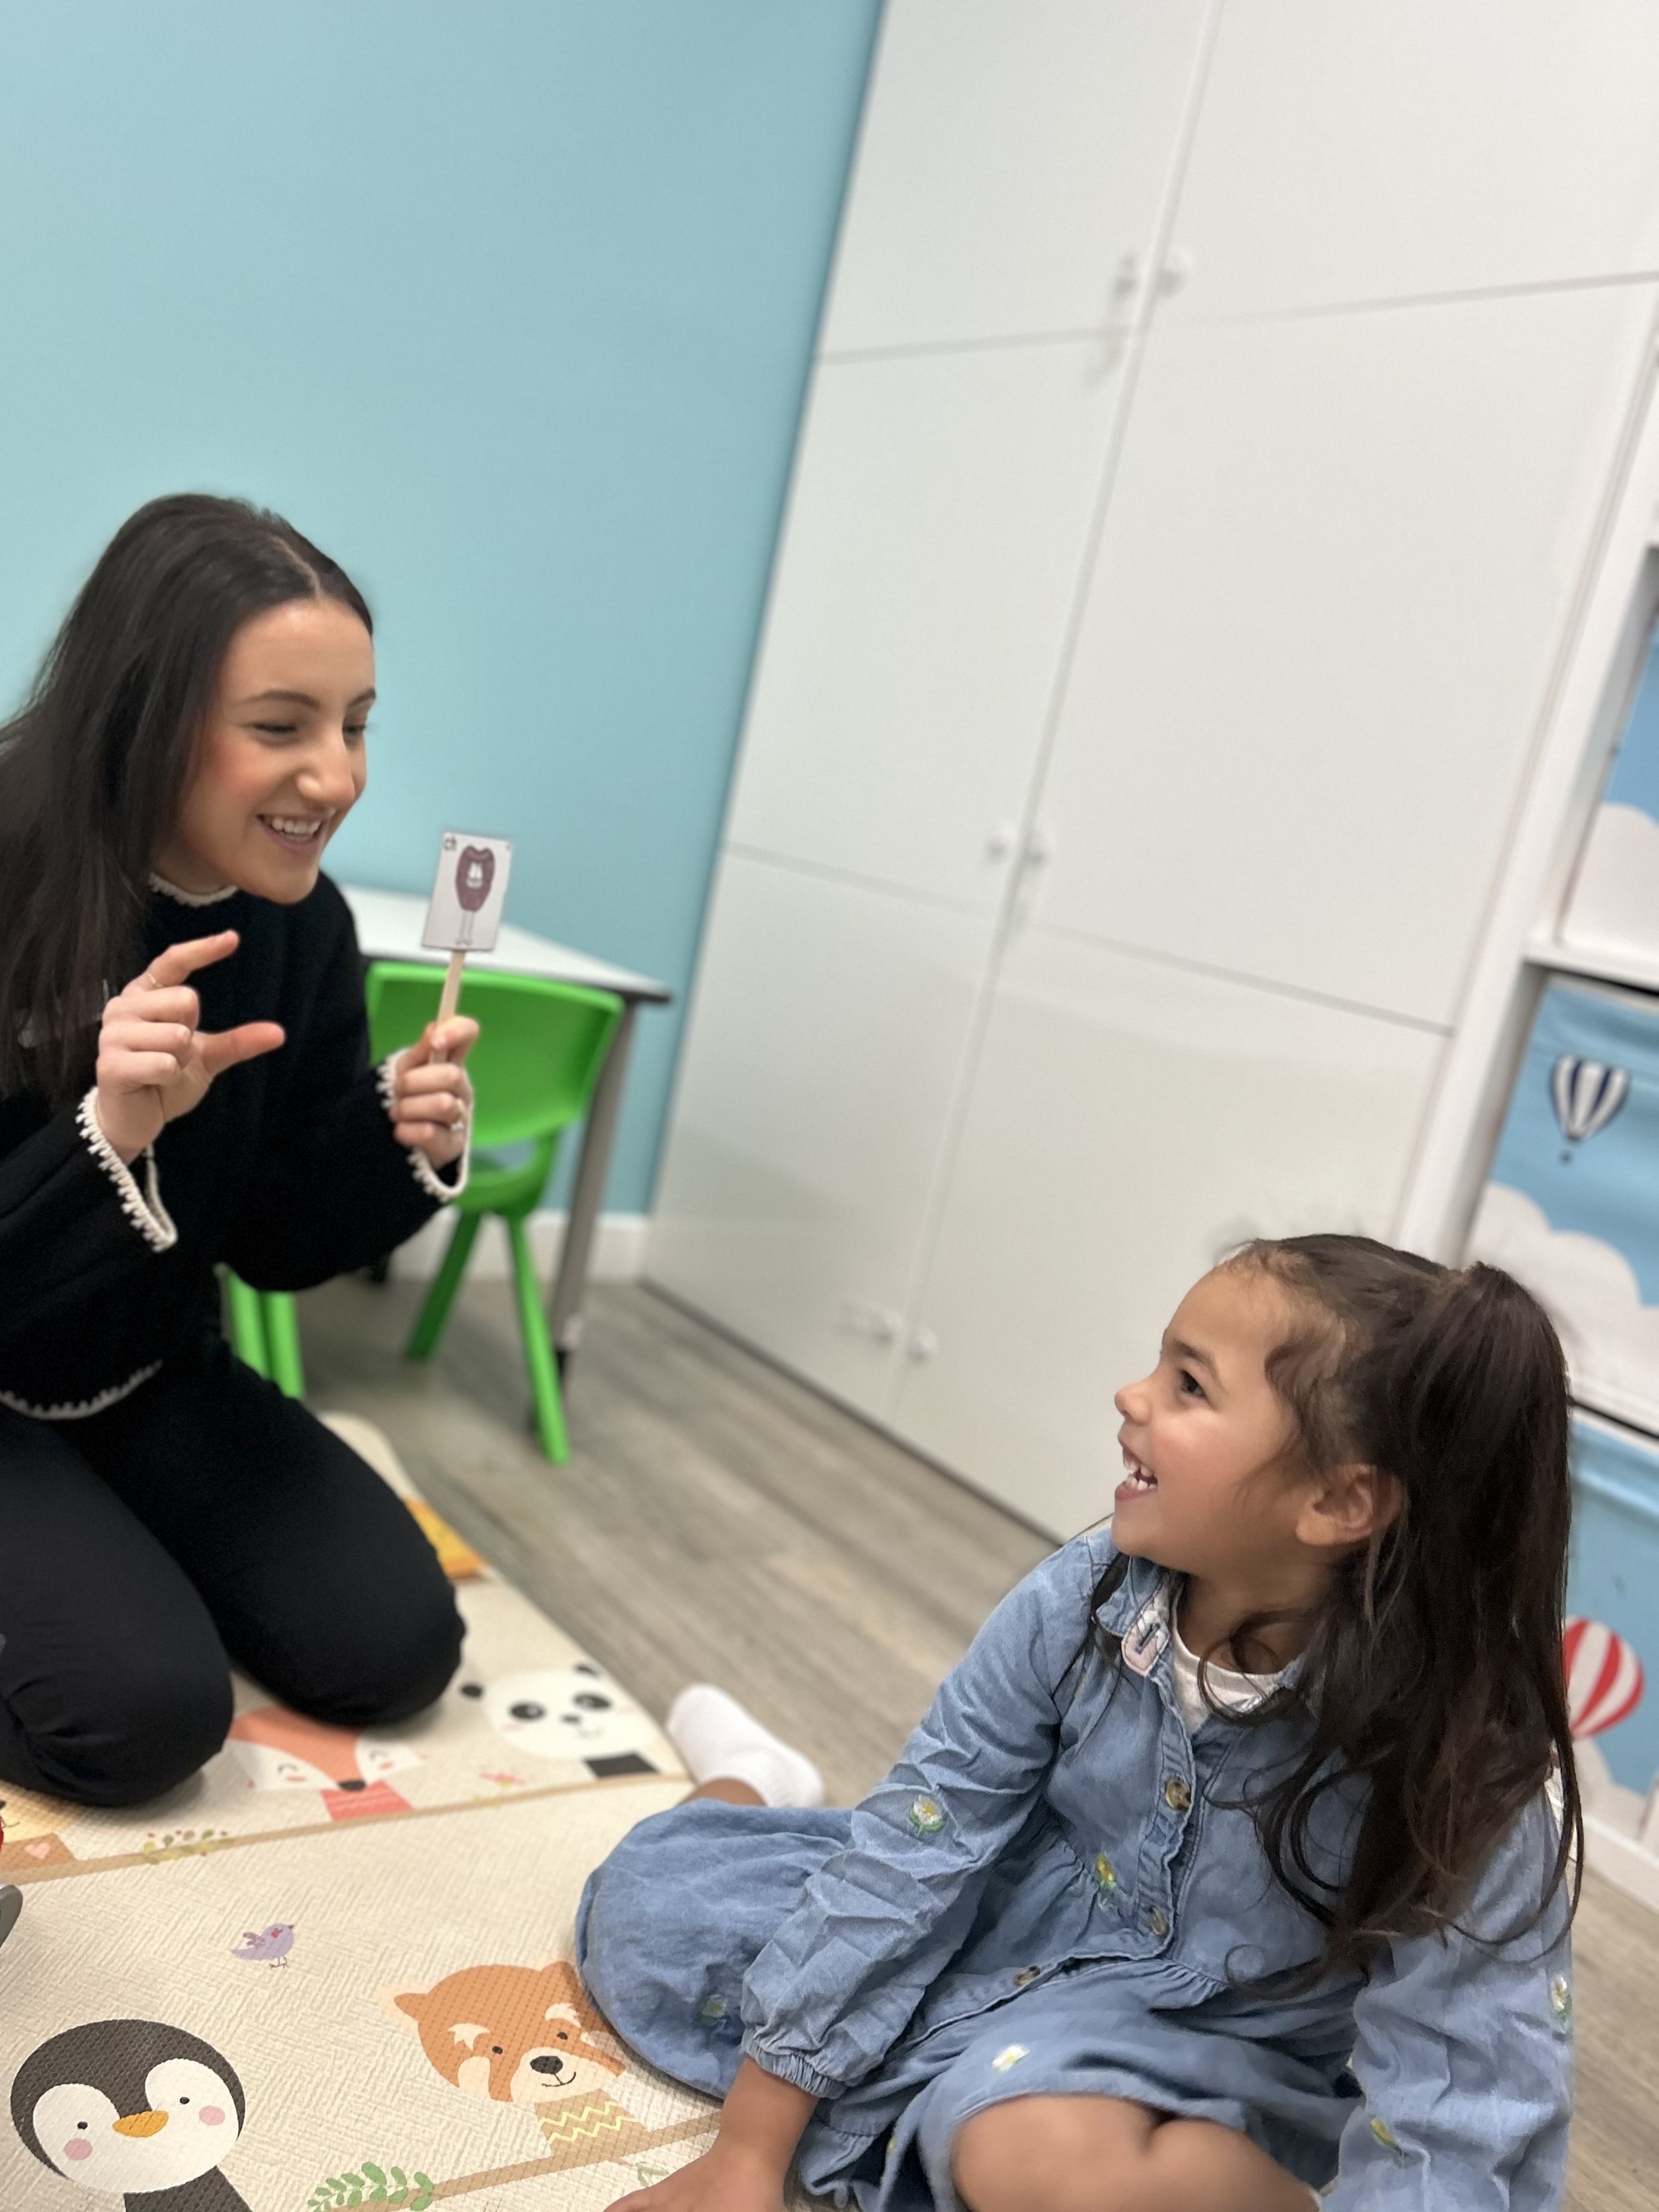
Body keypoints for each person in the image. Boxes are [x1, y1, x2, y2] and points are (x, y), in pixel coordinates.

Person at [579, 1237, 1579, 2211]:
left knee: (1030, 2155)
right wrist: (748, 2156)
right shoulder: (1079, 1592)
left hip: (1202, 2060)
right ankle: (757, 1777)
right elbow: (920, 1844)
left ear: (1336, 1499)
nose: (1131, 1395)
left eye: (1190, 1385)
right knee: (648, 1904)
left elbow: (1469, 2084)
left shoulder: (1458, 1759)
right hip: (1001, 1929)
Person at [0, 493, 476, 1809]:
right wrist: (106, 1134)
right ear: (146, 716)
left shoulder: (305, 924)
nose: (336, 775)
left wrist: (395, 1143)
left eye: (356, 723)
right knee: (139, 1720)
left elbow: (273, 1246)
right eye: (281, 727)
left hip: (148, 1369)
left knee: (396, 1648)